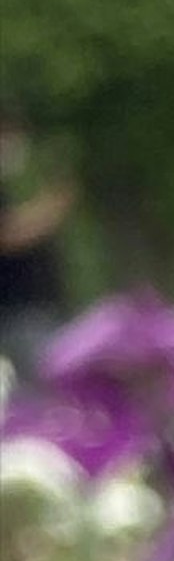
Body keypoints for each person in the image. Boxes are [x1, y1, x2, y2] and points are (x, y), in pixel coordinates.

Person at [0, 109, 72, 378]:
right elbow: (8, 235)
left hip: (34, 311)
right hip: (19, 314)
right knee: (46, 390)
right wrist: (52, 208)